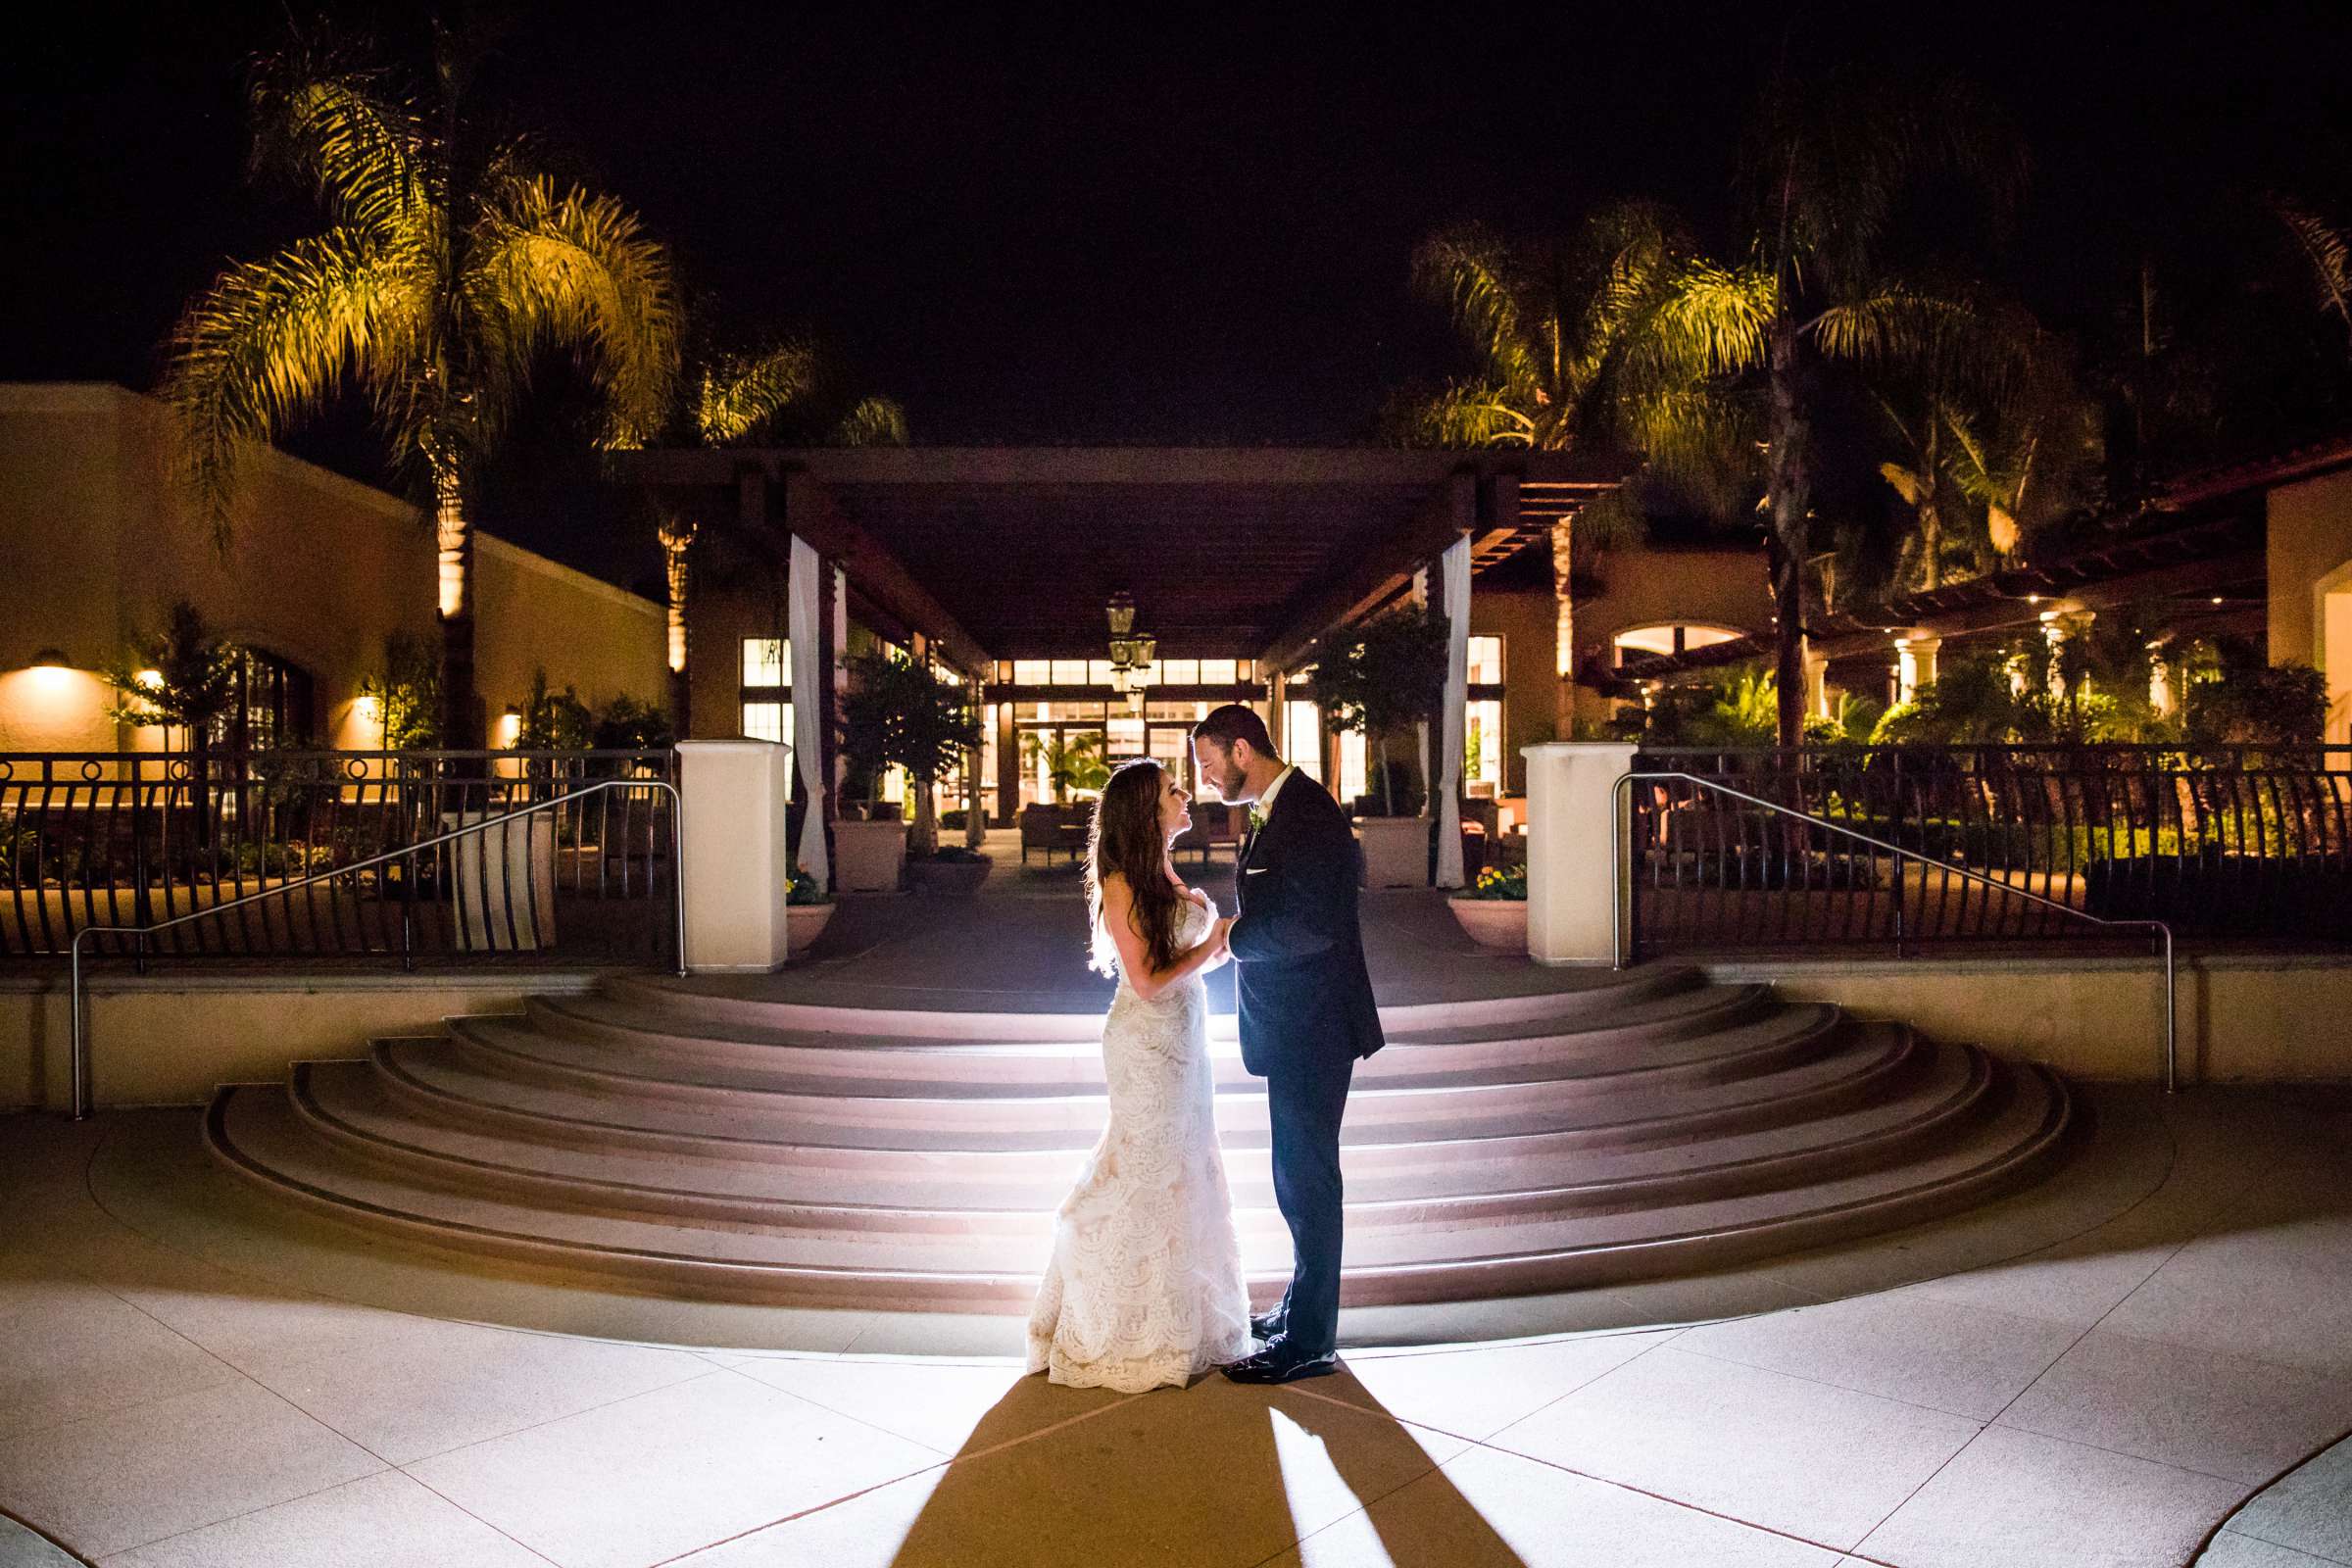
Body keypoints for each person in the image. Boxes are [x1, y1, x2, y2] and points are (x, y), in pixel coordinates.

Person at [1026, 759, 1252, 1392]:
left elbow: (1180, 966)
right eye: (1173, 792)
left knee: (1185, 1167)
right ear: (1147, 812)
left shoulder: (1165, 873)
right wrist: (1211, 947)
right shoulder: (1124, 882)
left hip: (1187, 1041)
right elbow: (1149, 981)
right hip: (1144, 1046)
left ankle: (1180, 1320)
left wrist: (1220, 948)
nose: (1186, 796)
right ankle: (1115, 1323)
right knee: (1144, 1167)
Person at [1192, 704, 1383, 1384]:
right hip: (1297, 1024)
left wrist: (1233, 938)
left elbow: (1311, 927)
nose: (1207, 781)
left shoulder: (1306, 812)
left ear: (1242, 749)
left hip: (1316, 1025)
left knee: (1308, 1181)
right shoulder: (1284, 807)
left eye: (1210, 765)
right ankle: (1303, 1311)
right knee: (1296, 1178)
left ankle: (1310, 1341)